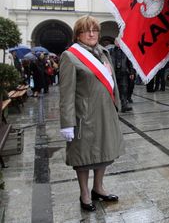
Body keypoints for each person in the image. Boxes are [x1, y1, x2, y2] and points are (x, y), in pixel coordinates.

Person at [59, 15, 125, 212]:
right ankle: (85, 193)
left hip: (105, 112)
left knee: (104, 152)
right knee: (83, 156)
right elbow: (66, 93)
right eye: (86, 30)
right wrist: (67, 122)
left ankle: (98, 187)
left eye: (95, 30)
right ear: (78, 35)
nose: (91, 33)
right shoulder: (70, 56)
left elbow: (112, 83)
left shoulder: (103, 53)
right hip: (84, 115)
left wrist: (117, 105)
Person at [111, 39, 135, 112]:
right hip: (114, 73)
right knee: (115, 90)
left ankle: (124, 105)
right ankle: (115, 106)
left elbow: (130, 62)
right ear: (114, 42)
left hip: (123, 73)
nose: (118, 43)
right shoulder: (111, 51)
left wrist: (131, 72)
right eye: (116, 42)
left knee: (124, 89)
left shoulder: (126, 51)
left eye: (119, 42)